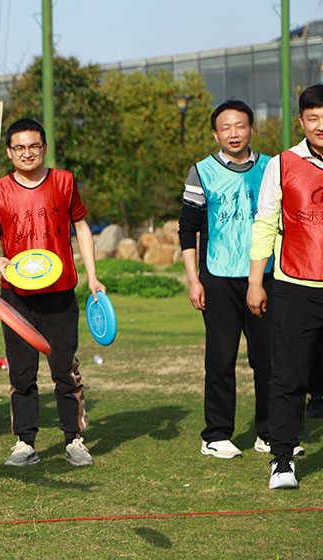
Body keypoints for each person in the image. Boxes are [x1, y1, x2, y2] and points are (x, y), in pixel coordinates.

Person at [0, 118, 104, 467]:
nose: (27, 153)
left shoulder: (65, 181)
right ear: (9, 152)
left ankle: (74, 439)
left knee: (65, 369)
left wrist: (92, 277)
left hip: (60, 293)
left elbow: (81, 227)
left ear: (44, 147)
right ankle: (24, 443)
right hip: (16, 295)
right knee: (21, 373)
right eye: (19, 147)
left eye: (34, 146)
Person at [179, 100, 275, 460]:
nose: (234, 133)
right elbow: (187, 230)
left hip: (264, 276)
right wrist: (194, 280)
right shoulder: (201, 171)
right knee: (220, 359)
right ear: (215, 134)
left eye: (240, 126)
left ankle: (269, 432)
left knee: (268, 359)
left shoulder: (271, 168)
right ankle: (216, 435)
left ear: (251, 128)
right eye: (226, 128)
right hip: (217, 277)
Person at [247, 84, 323, 490]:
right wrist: (255, 282)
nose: (320, 125)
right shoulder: (281, 164)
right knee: (287, 375)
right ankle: (282, 460)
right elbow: (264, 223)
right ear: (301, 121)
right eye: (313, 118)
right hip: (295, 285)